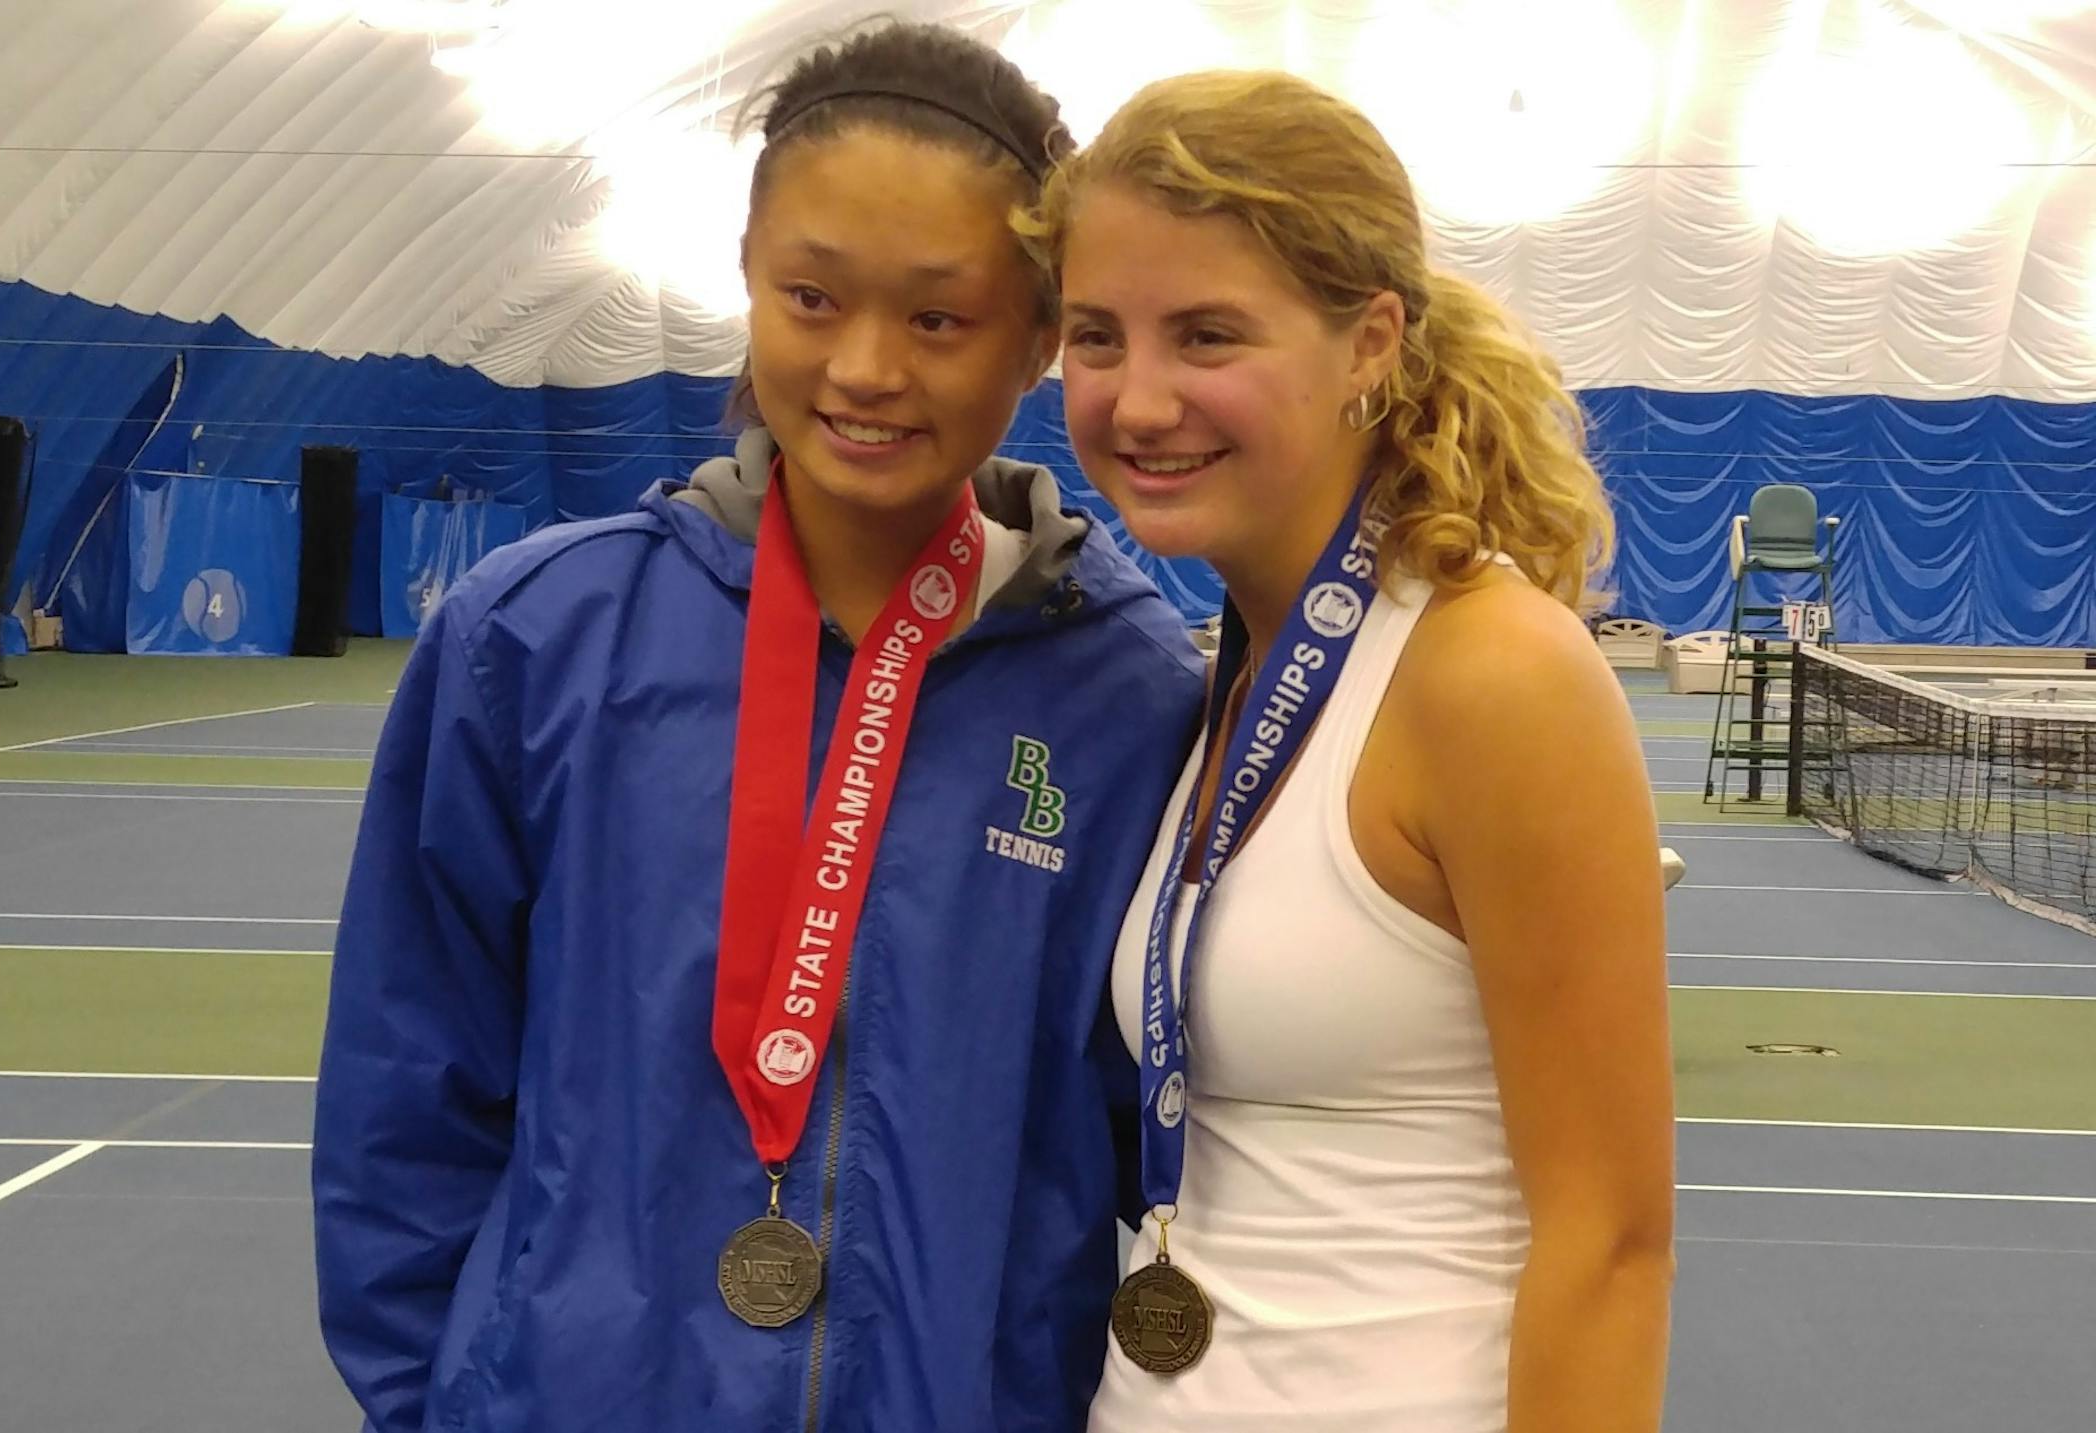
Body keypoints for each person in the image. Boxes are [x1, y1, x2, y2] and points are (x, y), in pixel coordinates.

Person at [310, 23, 1202, 1433]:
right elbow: (406, 1089)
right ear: (746, 277)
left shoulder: (1129, 693)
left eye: (939, 319)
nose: (865, 367)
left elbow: (1149, 1123)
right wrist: (444, 1404)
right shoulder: (534, 639)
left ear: (1039, 338)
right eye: (811, 297)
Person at [1019, 70, 1675, 1432]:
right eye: (1096, 337)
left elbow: (1612, 1246)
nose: (1138, 401)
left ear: (1370, 341)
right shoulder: (1222, 674)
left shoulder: (1494, 675)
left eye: (1207, 335)